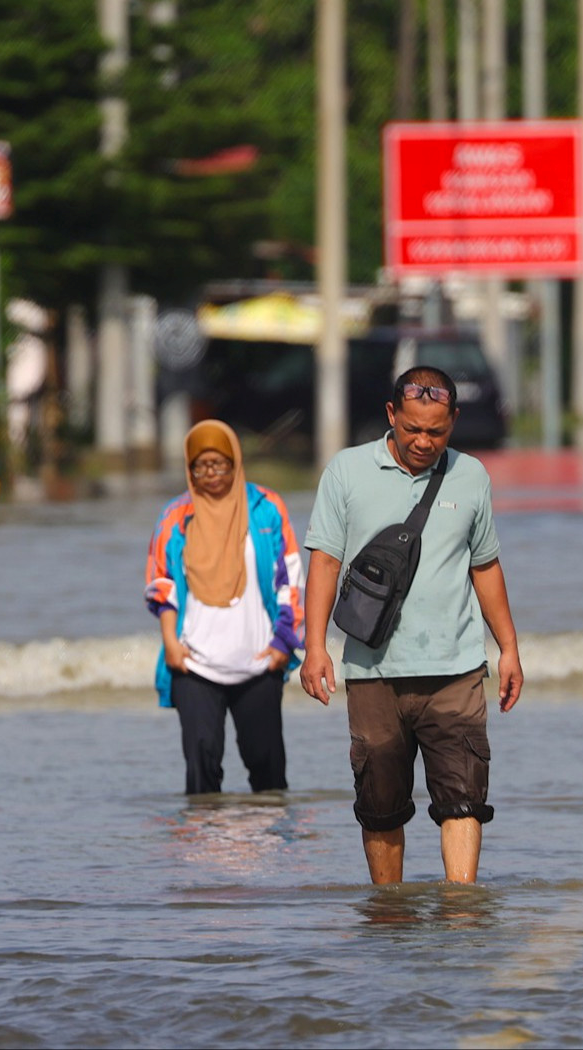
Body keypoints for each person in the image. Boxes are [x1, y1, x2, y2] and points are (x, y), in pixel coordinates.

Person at [298, 365, 524, 885]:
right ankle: (389, 913)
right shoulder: (346, 471)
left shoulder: (471, 476)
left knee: (463, 801)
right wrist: (315, 648)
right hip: (373, 671)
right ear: (391, 415)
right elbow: (325, 562)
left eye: (437, 432)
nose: (424, 441)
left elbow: (484, 564)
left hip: (456, 668)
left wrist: (507, 647)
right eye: (413, 429)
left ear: (454, 422)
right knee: (380, 806)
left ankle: (462, 913)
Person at [145, 419, 306, 795]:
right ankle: (204, 845)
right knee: (201, 764)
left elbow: (291, 579)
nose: (211, 473)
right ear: (189, 469)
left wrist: (284, 643)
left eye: (220, 463)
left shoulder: (266, 508)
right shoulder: (175, 516)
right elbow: (161, 585)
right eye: (200, 465)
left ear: (236, 462)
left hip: (259, 662)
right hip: (195, 663)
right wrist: (171, 642)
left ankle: (269, 847)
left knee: (267, 769)